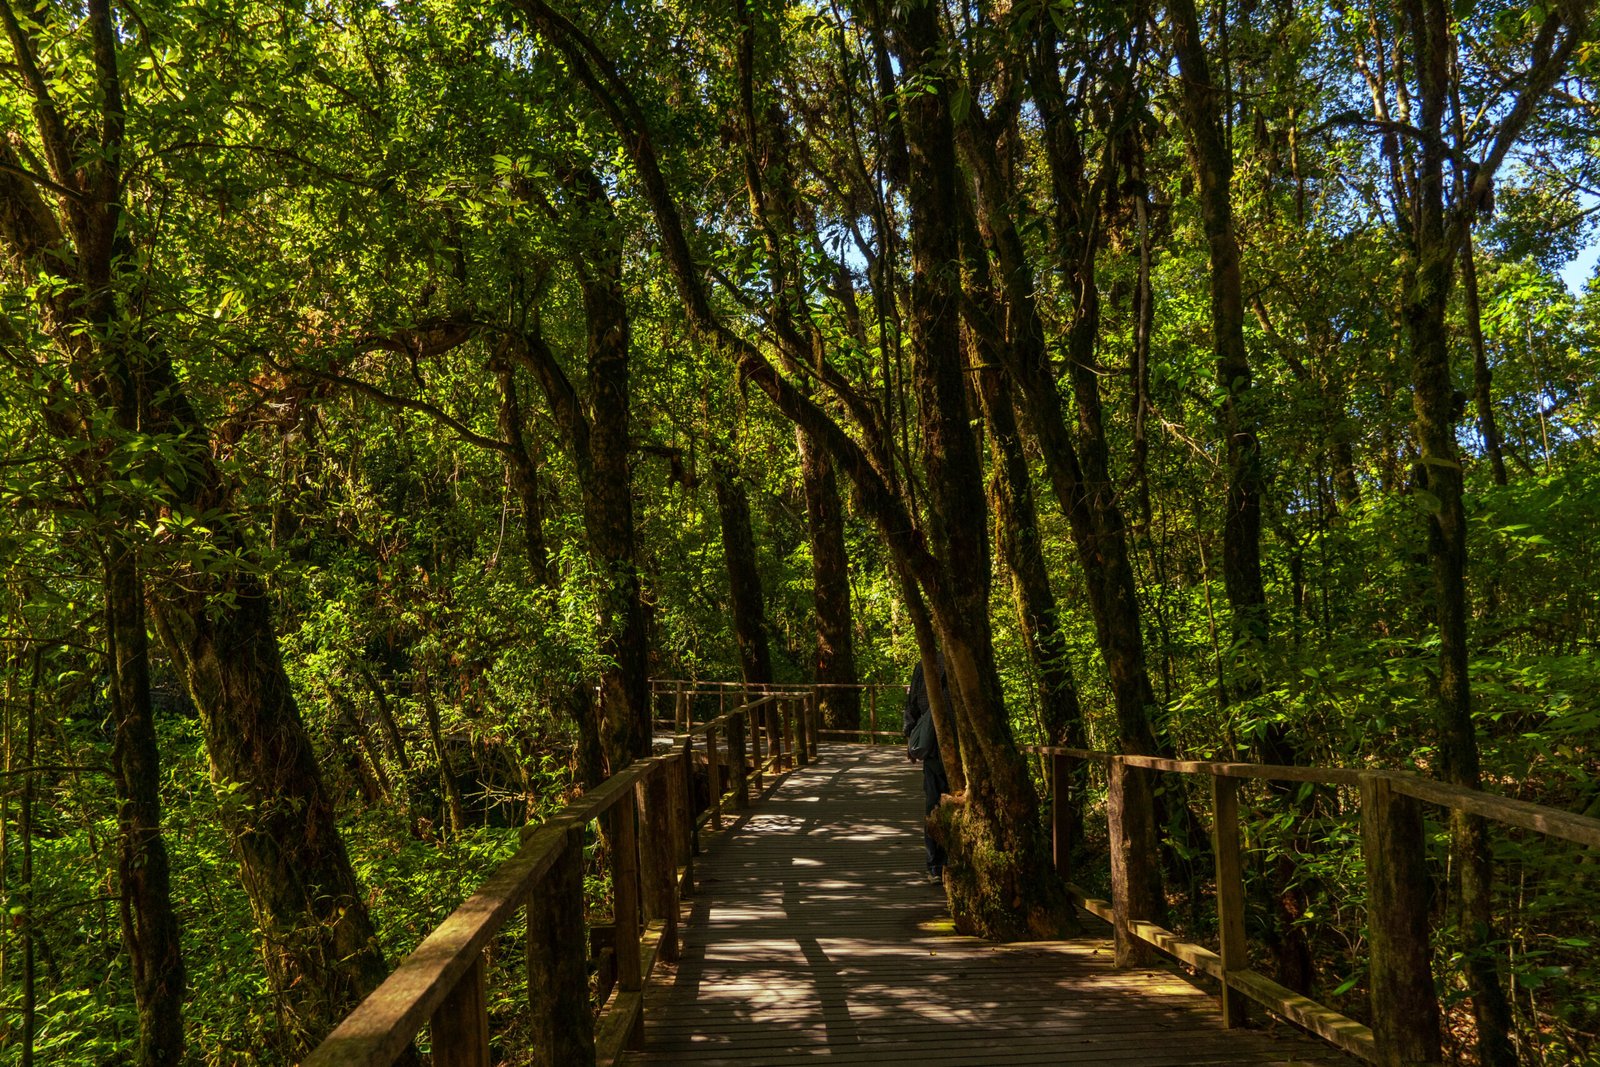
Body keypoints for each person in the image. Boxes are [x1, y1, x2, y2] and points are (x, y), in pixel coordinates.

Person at [903, 651, 949, 884]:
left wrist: (911, 738)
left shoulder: (926, 664)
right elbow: (913, 705)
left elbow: (911, 706)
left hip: (937, 751)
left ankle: (938, 866)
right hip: (938, 751)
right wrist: (913, 738)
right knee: (934, 806)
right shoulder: (927, 665)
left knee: (934, 806)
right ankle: (939, 864)